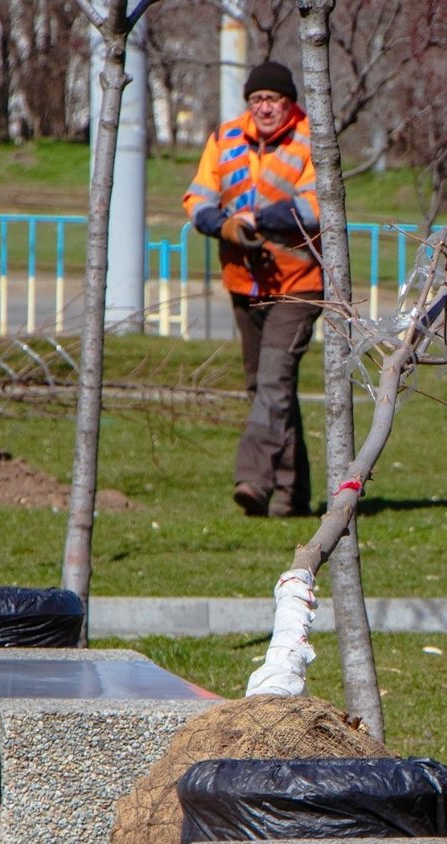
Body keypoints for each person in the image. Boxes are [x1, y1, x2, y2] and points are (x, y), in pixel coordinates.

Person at [184, 60, 323, 519]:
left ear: (290, 102)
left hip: (299, 283)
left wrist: (256, 220)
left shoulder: (312, 139)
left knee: (273, 382)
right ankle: (293, 495)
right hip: (244, 282)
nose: (264, 108)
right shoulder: (225, 138)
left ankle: (253, 481)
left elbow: (314, 209)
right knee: (265, 387)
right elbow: (199, 197)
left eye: (273, 100)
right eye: (257, 100)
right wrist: (221, 226)